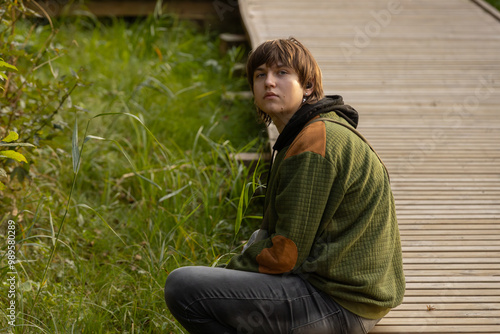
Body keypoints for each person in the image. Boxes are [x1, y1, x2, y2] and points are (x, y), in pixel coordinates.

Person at [165, 37, 405, 334]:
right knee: (255, 240)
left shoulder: (314, 142)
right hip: (352, 295)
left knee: (183, 287)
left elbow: (286, 254)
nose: (269, 82)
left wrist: (228, 276)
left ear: (307, 86)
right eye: (260, 74)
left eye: (282, 73)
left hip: (341, 305)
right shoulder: (308, 130)